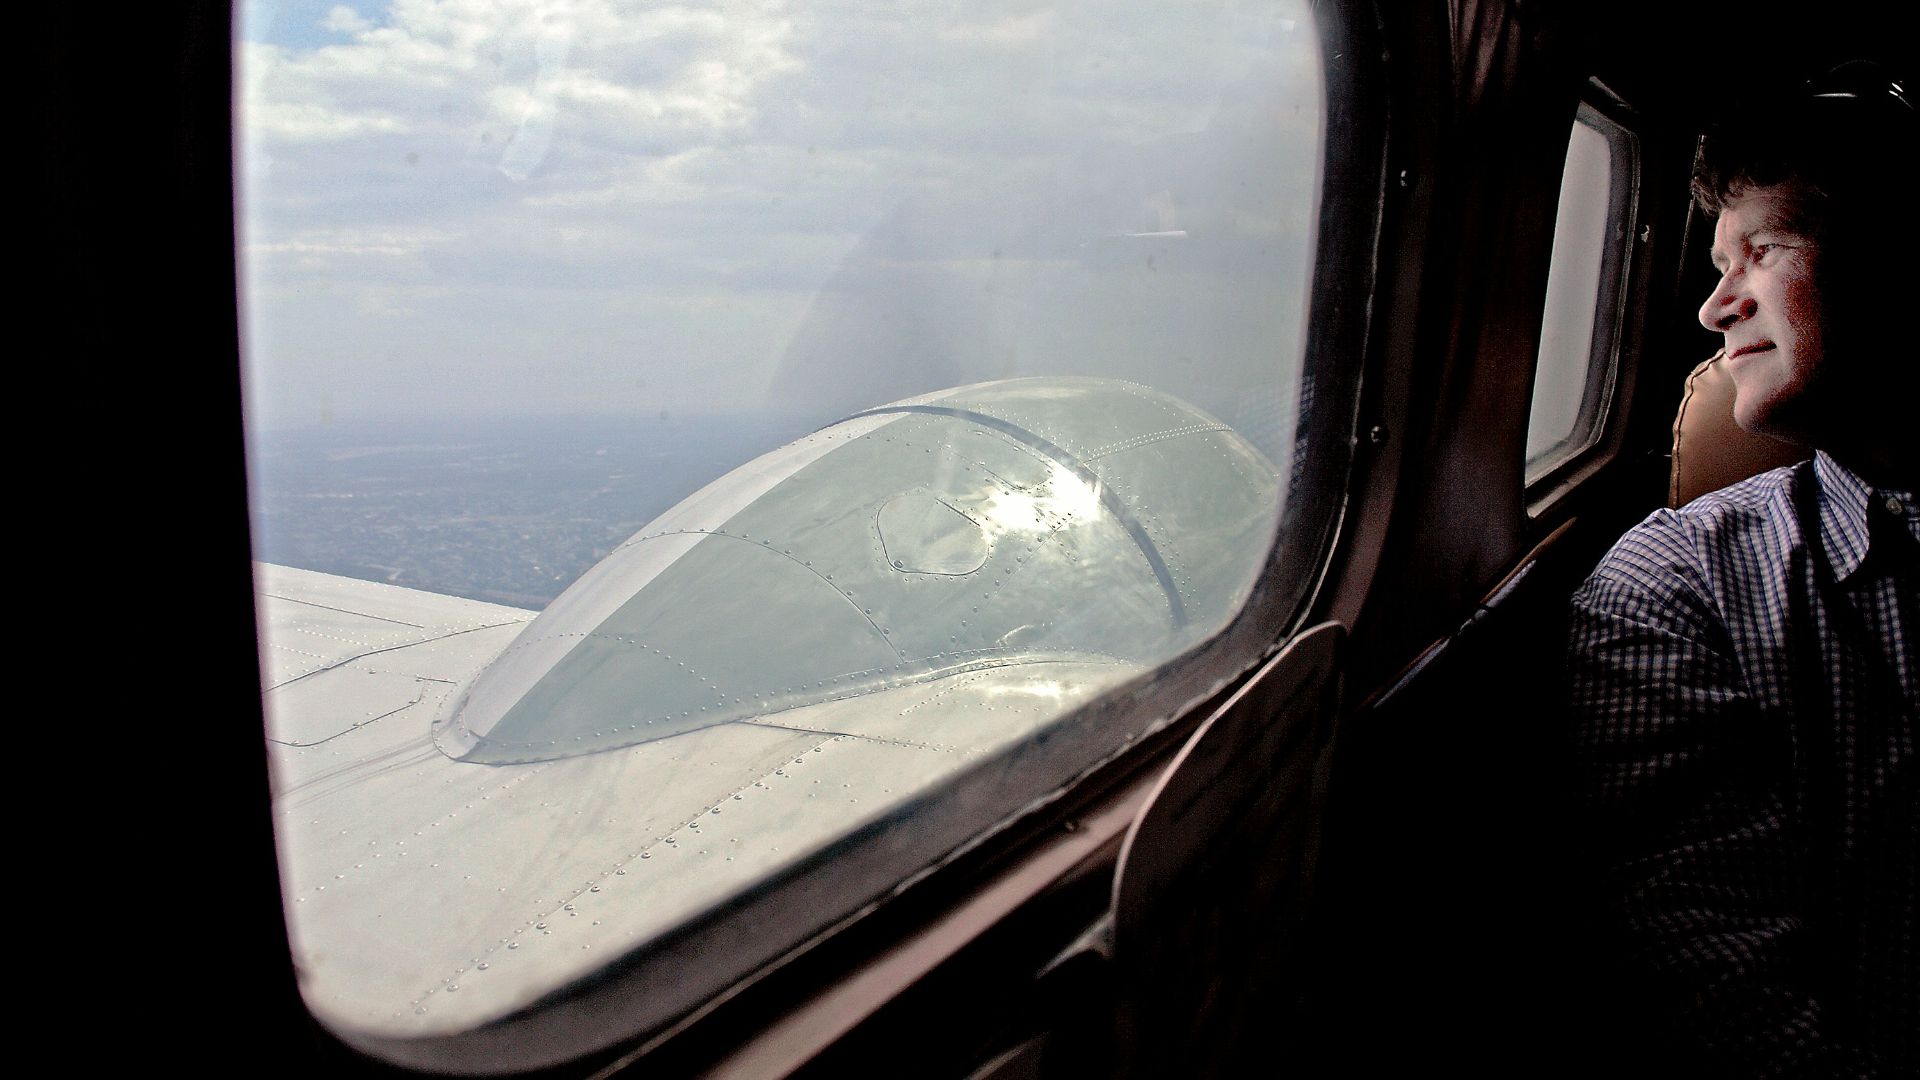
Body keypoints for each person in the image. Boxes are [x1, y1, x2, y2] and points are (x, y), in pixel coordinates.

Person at [1567, 64, 1916, 1077]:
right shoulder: (1682, 586)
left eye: (1761, 251)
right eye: (1721, 265)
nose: (1717, 309)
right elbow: (1717, 983)